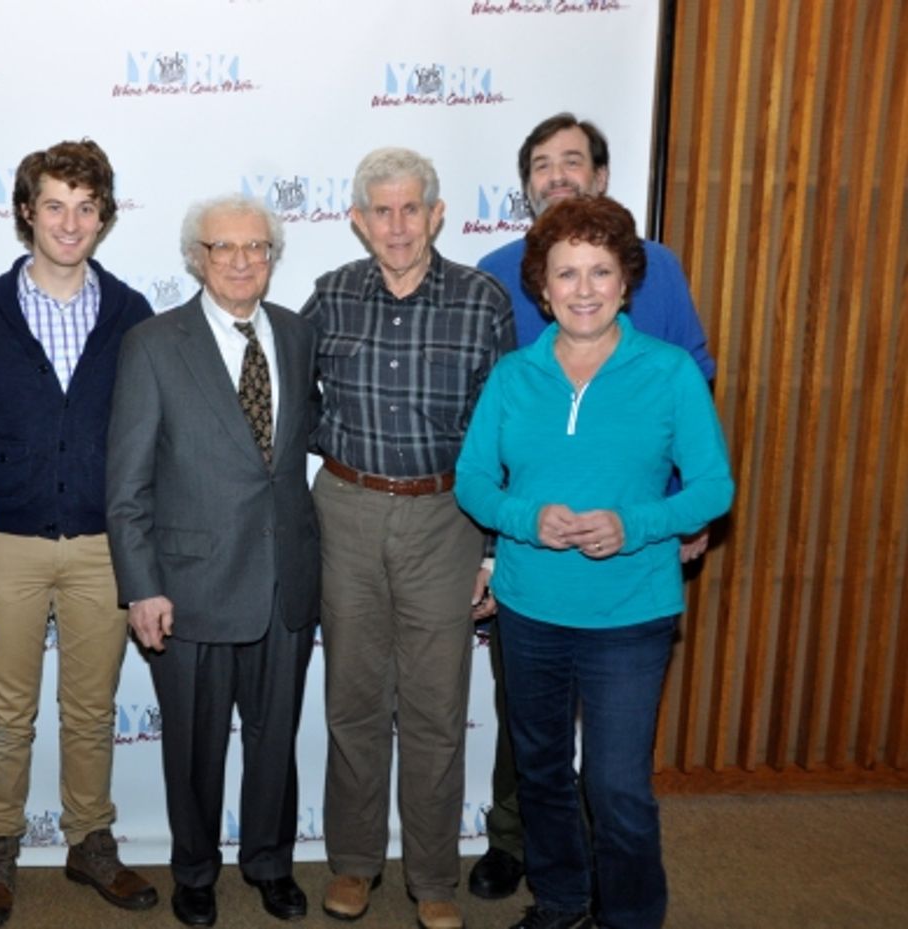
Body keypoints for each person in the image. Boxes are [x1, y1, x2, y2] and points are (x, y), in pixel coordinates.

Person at [455, 195, 734, 929]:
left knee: (617, 788)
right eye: (566, 273)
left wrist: (636, 523)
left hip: (631, 612)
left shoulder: (670, 372)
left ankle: (632, 915)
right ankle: (562, 900)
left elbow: (713, 486)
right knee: (542, 773)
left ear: (626, 282)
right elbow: (474, 480)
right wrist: (525, 518)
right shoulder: (514, 376)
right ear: (541, 287)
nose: (583, 289)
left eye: (600, 271)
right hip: (528, 606)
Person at [303, 147, 514, 929]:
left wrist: (492, 547)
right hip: (348, 509)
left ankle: (432, 876)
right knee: (352, 700)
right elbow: (299, 404)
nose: (396, 226)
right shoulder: (328, 297)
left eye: (409, 209)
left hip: (445, 517)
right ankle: (354, 863)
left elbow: (503, 435)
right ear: (357, 220)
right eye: (380, 211)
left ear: (436, 214)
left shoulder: (483, 299)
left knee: (434, 706)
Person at [106, 196, 320, 928]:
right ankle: (194, 870)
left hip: (286, 583)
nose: (240, 260)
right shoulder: (154, 344)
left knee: (274, 742)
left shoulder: (296, 334)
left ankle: (270, 862)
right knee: (194, 749)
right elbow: (127, 484)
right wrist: (142, 588)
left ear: (272, 256)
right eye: (222, 247)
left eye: (256, 247)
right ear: (196, 257)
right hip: (188, 589)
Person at [0, 139, 157, 926]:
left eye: (86, 207)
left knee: (90, 705)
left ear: (104, 217)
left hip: (100, 544)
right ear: (25, 212)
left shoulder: (132, 312)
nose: (70, 221)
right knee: (6, 707)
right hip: (7, 541)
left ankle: (90, 840)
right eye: (54, 205)